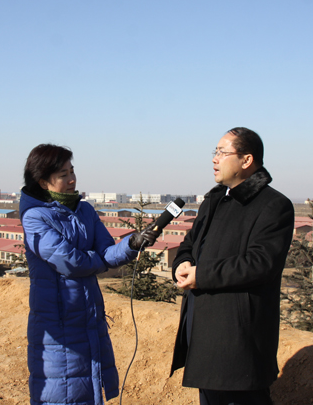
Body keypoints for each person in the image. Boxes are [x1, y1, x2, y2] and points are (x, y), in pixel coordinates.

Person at [19, 144, 158, 405]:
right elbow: (70, 263)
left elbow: (106, 251)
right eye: (62, 174)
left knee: (91, 389)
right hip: (57, 322)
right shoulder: (34, 217)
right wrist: (100, 261)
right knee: (61, 392)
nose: (72, 179)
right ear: (43, 181)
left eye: (72, 171)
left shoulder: (85, 211)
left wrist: (132, 244)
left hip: (89, 316)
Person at [170, 127, 294, 405]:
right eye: (214, 152)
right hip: (204, 329)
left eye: (222, 153)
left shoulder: (274, 205)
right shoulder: (214, 200)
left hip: (239, 335)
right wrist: (182, 263)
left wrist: (201, 275)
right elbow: (190, 243)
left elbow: (261, 263)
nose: (215, 159)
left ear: (246, 160)